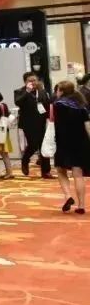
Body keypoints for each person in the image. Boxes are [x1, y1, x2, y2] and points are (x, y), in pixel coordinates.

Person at [52, 81, 88, 215]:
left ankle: (68, 196)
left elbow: (52, 121)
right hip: (81, 142)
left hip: (63, 141)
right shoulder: (81, 105)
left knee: (60, 170)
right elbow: (87, 126)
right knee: (78, 174)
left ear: (61, 91)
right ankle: (81, 205)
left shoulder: (58, 105)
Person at [15, 72, 52, 178]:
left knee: (43, 146)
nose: (33, 82)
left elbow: (47, 105)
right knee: (33, 145)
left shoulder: (42, 91)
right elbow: (18, 102)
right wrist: (27, 91)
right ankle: (25, 159)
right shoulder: (19, 91)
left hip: (41, 122)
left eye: (34, 80)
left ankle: (46, 171)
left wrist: (49, 119)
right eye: (30, 81)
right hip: (28, 123)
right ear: (25, 82)